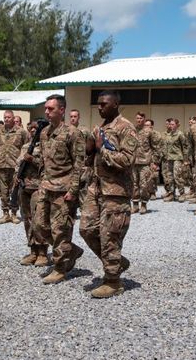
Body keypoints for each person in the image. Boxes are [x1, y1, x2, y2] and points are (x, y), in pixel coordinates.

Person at [80, 91, 137, 298]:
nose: (100, 107)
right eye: (98, 104)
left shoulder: (126, 128)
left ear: (116, 104)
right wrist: (90, 150)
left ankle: (113, 281)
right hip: (96, 187)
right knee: (86, 229)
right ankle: (117, 262)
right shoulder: (100, 128)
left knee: (110, 236)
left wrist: (101, 150)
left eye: (104, 104)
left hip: (116, 191)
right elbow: (91, 157)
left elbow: (127, 160)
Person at [32, 94, 86, 285]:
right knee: (39, 226)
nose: (46, 112)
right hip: (46, 187)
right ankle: (70, 249)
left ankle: (60, 268)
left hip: (63, 190)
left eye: (50, 109)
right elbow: (46, 162)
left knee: (60, 230)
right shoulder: (44, 133)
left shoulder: (73, 133)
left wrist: (73, 190)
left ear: (61, 110)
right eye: (45, 108)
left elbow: (79, 164)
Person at [15, 121, 48, 267]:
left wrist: (33, 160)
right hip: (24, 187)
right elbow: (18, 164)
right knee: (27, 220)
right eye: (31, 128)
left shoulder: (45, 146)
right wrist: (16, 176)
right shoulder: (25, 147)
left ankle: (42, 252)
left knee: (39, 220)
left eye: (36, 128)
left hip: (38, 187)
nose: (33, 130)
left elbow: (48, 166)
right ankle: (33, 250)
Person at [0, 110, 28, 224]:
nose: (6, 119)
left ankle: (14, 213)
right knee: (3, 191)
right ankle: (5, 213)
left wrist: (22, 163)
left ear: (13, 118)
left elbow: (26, 147)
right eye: (5, 117)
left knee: (15, 191)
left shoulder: (21, 132)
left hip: (15, 166)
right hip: (1, 165)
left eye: (8, 117)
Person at [131, 113, 161, 214]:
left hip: (145, 162)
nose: (139, 120)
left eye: (141, 118)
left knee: (144, 185)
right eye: (137, 118)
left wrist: (155, 161)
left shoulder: (149, 132)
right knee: (134, 184)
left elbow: (156, 147)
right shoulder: (132, 131)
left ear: (144, 119)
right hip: (134, 162)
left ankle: (143, 204)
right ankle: (135, 205)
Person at [161, 118, 188, 202]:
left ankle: (182, 193)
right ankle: (172, 194)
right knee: (170, 177)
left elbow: (185, 147)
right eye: (170, 124)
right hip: (169, 159)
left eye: (173, 124)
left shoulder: (180, 134)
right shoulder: (168, 135)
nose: (171, 126)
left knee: (178, 176)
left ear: (177, 125)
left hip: (177, 158)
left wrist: (186, 159)